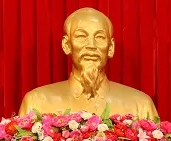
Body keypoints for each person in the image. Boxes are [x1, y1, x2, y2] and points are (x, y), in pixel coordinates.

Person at [18, 7, 157, 118]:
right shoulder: (37, 103)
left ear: (111, 47)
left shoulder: (140, 105)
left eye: (100, 37)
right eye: (81, 36)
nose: (91, 45)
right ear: (66, 45)